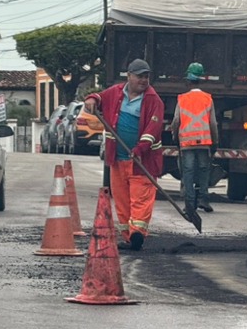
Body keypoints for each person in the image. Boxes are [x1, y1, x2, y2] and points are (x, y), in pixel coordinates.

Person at [83, 59, 164, 251]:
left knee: (141, 198)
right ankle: (128, 237)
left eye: (146, 76)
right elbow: (98, 97)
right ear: (129, 76)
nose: (144, 80)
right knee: (121, 199)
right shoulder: (115, 93)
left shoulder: (154, 101)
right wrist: (91, 99)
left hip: (142, 160)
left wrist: (138, 150)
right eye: (140, 76)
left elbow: (152, 131)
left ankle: (137, 233)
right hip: (117, 158)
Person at [171, 63, 219, 216]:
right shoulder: (208, 99)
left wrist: (175, 137)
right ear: (201, 79)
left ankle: (189, 204)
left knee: (188, 172)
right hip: (204, 141)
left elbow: (176, 121)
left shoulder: (182, 99)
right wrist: (215, 142)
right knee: (204, 170)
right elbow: (212, 123)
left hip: (187, 142)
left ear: (188, 81)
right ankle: (204, 199)